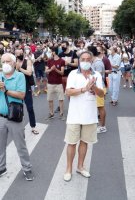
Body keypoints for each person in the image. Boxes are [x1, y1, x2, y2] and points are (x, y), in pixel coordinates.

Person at [0, 53, 34, 181]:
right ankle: (1, 167)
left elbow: (21, 95)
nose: (5, 64)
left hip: (15, 116)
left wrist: (6, 90)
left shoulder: (19, 76)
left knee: (20, 145)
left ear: (14, 63)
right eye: (3, 62)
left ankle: (27, 168)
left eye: (8, 61)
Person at [63, 51, 104, 182]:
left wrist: (94, 88)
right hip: (74, 115)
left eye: (88, 59)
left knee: (84, 142)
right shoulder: (73, 74)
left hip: (90, 115)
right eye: (83, 59)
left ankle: (80, 166)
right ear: (79, 61)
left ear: (91, 61)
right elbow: (68, 91)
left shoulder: (96, 75)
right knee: (71, 143)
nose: (85, 61)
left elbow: (102, 94)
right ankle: (68, 168)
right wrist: (84, 89)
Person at [15, 49, 38, 135]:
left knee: (30, 108)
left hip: (26, 87)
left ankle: (33, 126)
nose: (20, 54)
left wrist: (19, 68)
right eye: (18, 53)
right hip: (17, 88)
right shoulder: (13, 62)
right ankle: (20, 127)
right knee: (18, 108)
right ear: (15, 54)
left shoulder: (27, 61)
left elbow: (29, 73)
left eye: (22, 53)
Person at [88, 46, 107, 133]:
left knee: (100, 107)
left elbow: (98, 77)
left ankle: (102, 126)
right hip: (93, 88)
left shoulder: (98, 63)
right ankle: (96, 124)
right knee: (96, 107)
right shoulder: (93, 62)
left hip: (99, 87)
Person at [45, 47, 65, 120]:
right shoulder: (49, 61)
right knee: (50, 99)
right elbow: (46, 71)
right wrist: (51, 69)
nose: (50, 53)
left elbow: (62, 73)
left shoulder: (62, 61)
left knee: (61, 99)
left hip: (59, 83)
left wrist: (55, 69)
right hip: (50, 83)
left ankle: (61, 114)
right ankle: (51, 113)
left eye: (51, 51)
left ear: (54, 52)